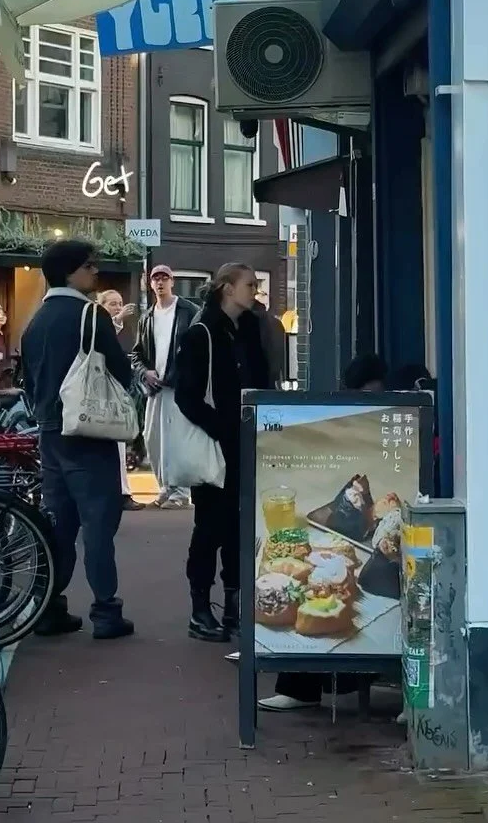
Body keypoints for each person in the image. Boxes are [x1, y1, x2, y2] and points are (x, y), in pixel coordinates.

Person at [259, 351, 387, 711]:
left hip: (381, 541)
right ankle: (301, 688)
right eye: (363, 395)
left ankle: (305, 688)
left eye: (375, 395)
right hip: (342, 538)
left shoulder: (392, 424)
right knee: (317, 588)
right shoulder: (345, 423)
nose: (369, 403)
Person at [21, 239, 134, 640]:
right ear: (70, 272)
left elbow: (28, 379)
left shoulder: (35, 321)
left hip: (49, 433)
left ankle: (50, 607)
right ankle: (106, 612)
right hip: (88, 432)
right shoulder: (90, 315)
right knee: (99, 522)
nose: (95, 271)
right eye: (89, 265)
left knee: (61, 522)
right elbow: (120, 370)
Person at [175, 263, 269, 643]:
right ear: (227, 288)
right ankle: (200, 608)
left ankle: (234, 604)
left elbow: (262, 380)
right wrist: (224, 429)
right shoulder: (201, 334)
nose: (255, 290)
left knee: (239, 525)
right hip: (217, 446)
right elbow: (187, 397)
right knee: (210, 526)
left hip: (245, 442)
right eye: (250, 284)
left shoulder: (249, 328)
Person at [131, 266, 196, 509]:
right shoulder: (147, 317)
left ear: (172, 282)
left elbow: (198, 347)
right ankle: (166, 487)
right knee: (153, 439)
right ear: (150, 284)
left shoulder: (188, 311)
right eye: (156, 279)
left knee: (178, 440)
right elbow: (137, 354)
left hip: (180, 387)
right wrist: (145, 372)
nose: (160, 283)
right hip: (155, 389)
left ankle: (181, 491)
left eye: (164, 278)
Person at [98, 289, 144, 512]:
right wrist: (118, 319)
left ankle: (121, 492)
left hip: (114, 393)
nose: (118, 308)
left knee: (117, 444)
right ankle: (119, 493)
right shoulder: (100, 324)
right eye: (112, 304)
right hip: (102, 395)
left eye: (119, 303)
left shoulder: (117, 328)